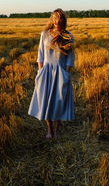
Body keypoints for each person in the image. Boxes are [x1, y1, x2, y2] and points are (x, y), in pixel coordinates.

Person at [28, 8, 75, 139]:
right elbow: (40, 55)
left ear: (63, 20)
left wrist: (66, 74)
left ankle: (57, 129)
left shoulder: (68, 36)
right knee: (46, 101)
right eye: (55, 18)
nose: (57, 21)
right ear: (52, 19)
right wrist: (40, 71)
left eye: (60, 18)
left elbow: (70, 59)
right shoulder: (45, 34)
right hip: (46, 72)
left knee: (59, 102)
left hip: (61, 73)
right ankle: (49, 129)